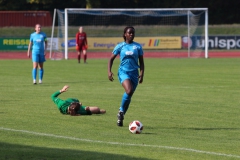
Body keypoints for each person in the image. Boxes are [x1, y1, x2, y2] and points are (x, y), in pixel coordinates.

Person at [108, 26, 145, 127]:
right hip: (123, 72)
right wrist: (109, 72)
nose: (131, 34)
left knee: (129, 94)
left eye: (133, 33)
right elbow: (111, 59)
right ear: (125, 34)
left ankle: (121, 113)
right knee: (129, 90)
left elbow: (141, 62)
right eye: (129, 33)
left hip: (134, 74)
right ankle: (121, 111)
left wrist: (142, 74)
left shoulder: (138, 47)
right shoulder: (120, 46)